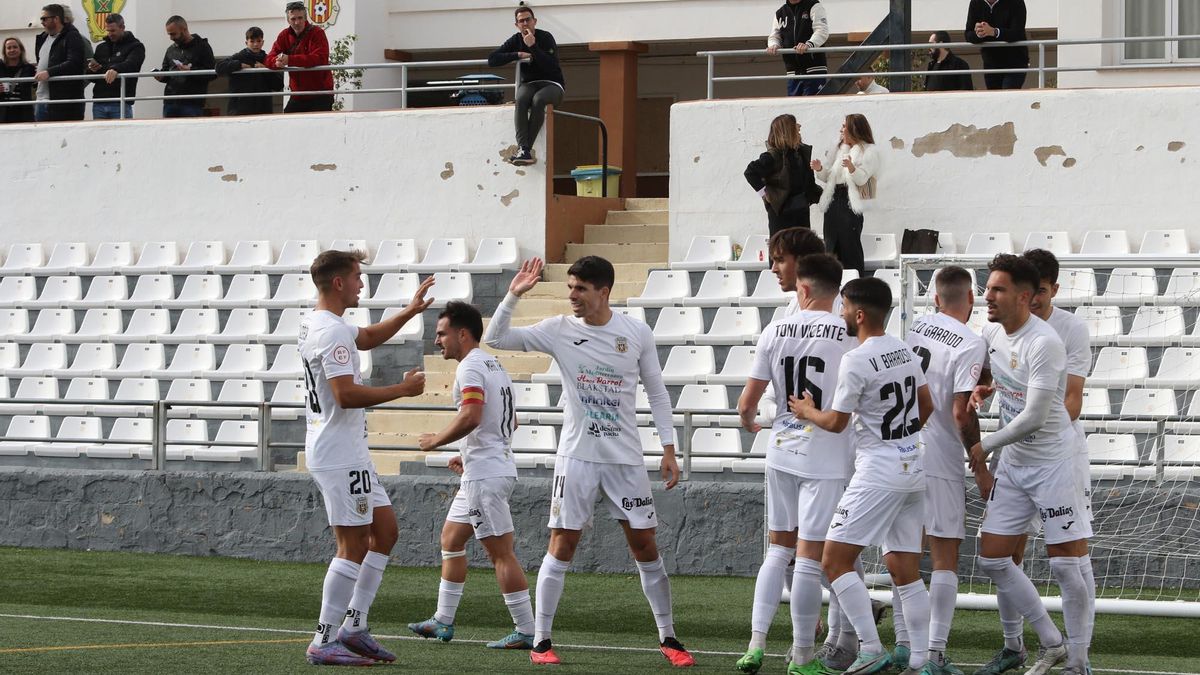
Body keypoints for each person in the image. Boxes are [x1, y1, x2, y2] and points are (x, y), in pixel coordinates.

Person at [482, 256, 696, 668]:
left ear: (604, 292)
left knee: (645, 546)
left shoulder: (635, 332)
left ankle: (669, 637)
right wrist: (513, 295)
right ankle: (541, 642)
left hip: (625, 460)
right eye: (570, 288)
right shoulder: (559, 330)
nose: (572, 296)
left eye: (580, 288)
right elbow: (497, 338)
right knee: (563, 544)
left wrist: (668, 449)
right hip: (577, 458)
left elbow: (656, 392)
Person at [790, 276, 934, 674]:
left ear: (858, 313)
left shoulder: (857, 358)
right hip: (912, 467)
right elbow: (928, 405)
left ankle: (870, 648)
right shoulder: (903, 350)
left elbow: (836, 422)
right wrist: (901, 438)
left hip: (878, 471)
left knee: (833, 560)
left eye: (844, 308)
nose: (840, 314)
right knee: (905, 571)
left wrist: (806, 412)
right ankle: (921, 661)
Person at [299, 250, 434, 666]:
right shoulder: (332, 332)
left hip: (348, 450)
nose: (362, 284)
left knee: (385, 530)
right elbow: (345, 395)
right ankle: (324, 638)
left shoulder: (320, 323)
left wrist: (409, 311)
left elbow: (368, 337)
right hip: (339, 453)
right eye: (357, 277)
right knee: (353, 544)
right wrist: (402, 391)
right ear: (338, 283)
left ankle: (353, 626)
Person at [970, 248, 1095, 675]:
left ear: (1025, 297)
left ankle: (1078, 661)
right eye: (988, 288)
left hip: (1054, 462)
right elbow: (995, 375)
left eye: (997, 289)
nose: (987, 296)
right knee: (992, 558)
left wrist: (985, 446)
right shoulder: (992, 334)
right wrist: (982, 389)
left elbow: (1037, 415)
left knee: (1065, 562)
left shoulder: (1047, 341)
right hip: (1015, 463)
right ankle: (1051, 641)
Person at [735, 253, 853, 675]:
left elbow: (747, 403)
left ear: (802, 288)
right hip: (826, 452)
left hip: (782, 448)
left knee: (777, 549)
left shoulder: (775, 329)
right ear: (837, 290)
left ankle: (755, 644)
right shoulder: (847, 330)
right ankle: (803, 656)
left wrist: (751, 422)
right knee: (807, 558)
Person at [408, 301, 535, 650]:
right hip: (484, 469)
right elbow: (510, 421)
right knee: (451, 540)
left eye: (441, 333)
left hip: (486, 475)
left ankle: (527, 630)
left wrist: (436, 440)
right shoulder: (494, 364)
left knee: (501, 553)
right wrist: (468, 455)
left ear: (462, 334)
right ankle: (442, 621)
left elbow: (472, 415)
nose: (437, 341)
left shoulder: (470, 368)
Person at [893, 266, 986, 675]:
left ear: (935, 299)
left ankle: (901, 644)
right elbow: (960, 412)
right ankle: (933, 654)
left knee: (906, 550)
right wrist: (979, 461)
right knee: (945, 554)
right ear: (970, 299)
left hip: (903, 449)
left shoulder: (917, 328)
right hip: (943, 453)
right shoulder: (971, 341)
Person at [488, 4, 564, 166]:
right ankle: (524, 149)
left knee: (538, 99)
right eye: (521, 21)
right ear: (517, 25)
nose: (525, 23)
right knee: (521, 98)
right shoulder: (515, 40)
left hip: (553, 85)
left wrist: (533, 46)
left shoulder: (546, 37)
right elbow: (492, 59)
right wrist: (517, 54)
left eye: (528, 20)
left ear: (534, 21)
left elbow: (550, 66)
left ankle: (525, 149)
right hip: (529, 84)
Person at [813, 114, 879, 276]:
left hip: (850, 202)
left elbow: (863, 178)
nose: (841, 130)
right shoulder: (841, 150)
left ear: (854, 129)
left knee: (850, 245)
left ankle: (855, 284)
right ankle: (831, 283)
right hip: (833, 201)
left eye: (844, 126)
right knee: (831, 244)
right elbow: (829, 178)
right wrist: (819, 169)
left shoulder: (868, 151)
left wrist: (851, 167)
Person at [744, 114, 819, 235]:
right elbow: (750, 172)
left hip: (801, 213)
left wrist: (825, 196)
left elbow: (808, 182)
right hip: (781, 215)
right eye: (795, 126)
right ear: (787, 131)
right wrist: (766, 195)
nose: (799, 127)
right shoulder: (773, 156)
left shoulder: (800, 153)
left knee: (803, 250)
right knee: (781, 251)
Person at [266, 1, 335, 114]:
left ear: (305, 18)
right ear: (288, 20)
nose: (297, 22)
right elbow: (269, 58)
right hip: (298, 96)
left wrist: (289, 60)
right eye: (293, 19)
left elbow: (319, 58)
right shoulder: (284, 35)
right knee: (287, 125)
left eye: (300, 18)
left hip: (320, 95)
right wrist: (276, 62)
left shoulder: (317, 33)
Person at [33, 3, 87, 122]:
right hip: (41, 99)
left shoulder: (73, 36)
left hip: (63, 102)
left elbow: (74, 63)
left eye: (44, 19)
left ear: (56, 19)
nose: (42, 22)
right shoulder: (42, 38)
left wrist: (49, 72)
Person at [154, 16, 215, 118]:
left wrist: (191, 70)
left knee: (191, 133)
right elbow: (166, 72)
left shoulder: (202, 47)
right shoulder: (171, 50)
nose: (171, 38)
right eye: (169, 34)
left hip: (192, 103)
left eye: (173, 34)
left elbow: (212, 73)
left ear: (184, 29)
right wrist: (160, 77)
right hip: (170, 102)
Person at [217, 27, 284, 116]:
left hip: (263, 110)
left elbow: (279, 85)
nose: (256, 44)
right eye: (252, 41)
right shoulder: (239, 57)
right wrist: (238, 65)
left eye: (259, 41)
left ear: (263, 42)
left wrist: (265, 70)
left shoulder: (267, 59)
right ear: (246, 43)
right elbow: (218, 67)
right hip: (239, 110)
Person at [767, 0, 829, 96]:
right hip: (793, 72)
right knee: (793, 108)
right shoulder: (780, 13)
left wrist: (808, 44)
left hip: (814, 70)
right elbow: (774, 36)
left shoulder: (814, 5)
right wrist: (773, 45)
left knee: (813, 106)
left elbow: (822, 31)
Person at [89, 13, 144, 120]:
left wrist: (115, 69)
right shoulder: (101, 47)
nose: (110, 34)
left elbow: (132, 64)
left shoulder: (136, 46)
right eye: (108, 31)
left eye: (113, 31)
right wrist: (91, 69)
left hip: (121, 102)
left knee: (123, 136)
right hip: (99, 101)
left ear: (122, 27)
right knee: (99, 136)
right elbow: (93, 77)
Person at [965, 0, 1028, 90]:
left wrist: (994, 32)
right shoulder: (976, 2)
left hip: (1015, 62)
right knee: (995, 99)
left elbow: (1017, 33)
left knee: (1008, 96)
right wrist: (979, 33)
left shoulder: (1016, 2)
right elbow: (968, 34)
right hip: (991, 63)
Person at [0, 37, 36, 124]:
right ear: (4, 51)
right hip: (3, 113)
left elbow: (38, 87)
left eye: (15, 47)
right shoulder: (0, 67)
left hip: (23, 113)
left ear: (21, 49)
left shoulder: (29, 68)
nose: (12, 50)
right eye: (9, 48)